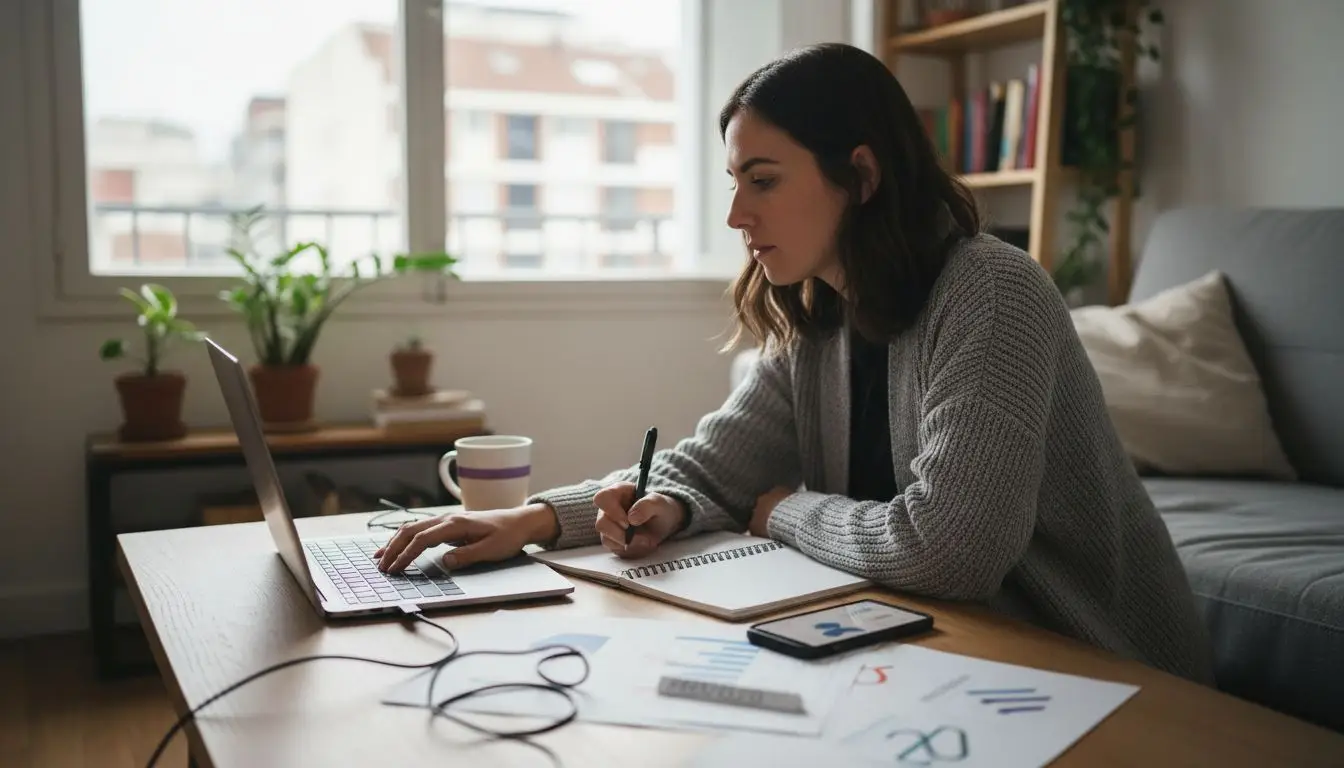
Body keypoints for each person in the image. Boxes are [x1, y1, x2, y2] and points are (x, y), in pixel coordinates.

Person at [376, 42, 1214, 684]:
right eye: (734, 181)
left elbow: (949, 550)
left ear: (860, 175)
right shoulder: (819, 312)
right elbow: (709, 470)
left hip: (1095, 664)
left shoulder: (992, 293)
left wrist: (780, 511)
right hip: (954, 648)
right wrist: (533, 522)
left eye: (763, 180)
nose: (737, 214)